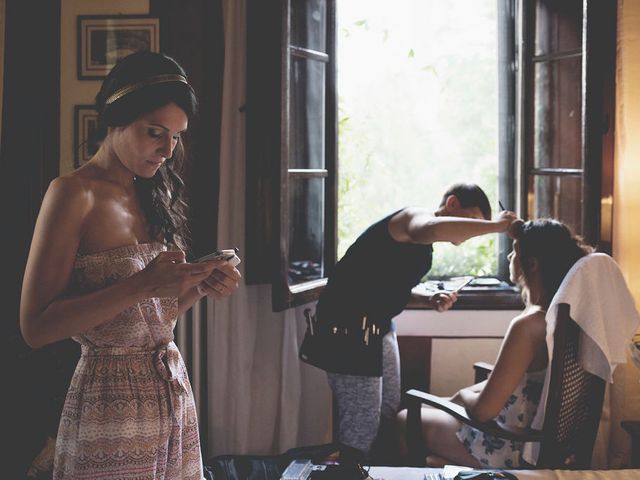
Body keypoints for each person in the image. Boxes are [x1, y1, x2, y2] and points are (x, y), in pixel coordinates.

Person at [20, 52, 241, 480]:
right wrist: (143, 284)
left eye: (176, 136)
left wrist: (199, 284)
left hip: (171, 396)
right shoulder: (72, 194)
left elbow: (147, 318)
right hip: (108, 407)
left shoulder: (152, 195)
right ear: (116, 118)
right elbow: (35, 327)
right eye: (155, 133)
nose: (167, 149)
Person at [298, 183, 518, 464]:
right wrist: (498, 227)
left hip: (379, 329)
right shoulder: (413, 218)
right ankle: (348, 470)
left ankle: (376, 470)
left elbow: (384, 287)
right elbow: (433, 228)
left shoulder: (423, 247)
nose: (470, 230)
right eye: (472, 220)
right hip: (348, 331)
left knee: (388, 414)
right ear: (452, 204)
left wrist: (428, 299)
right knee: (360, 430)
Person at [397, 218, 592, 468]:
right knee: (437, 410)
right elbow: (523, 384)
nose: (510, 256)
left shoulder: (528, 326)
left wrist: (463, 395)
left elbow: (483, 412)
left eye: (515, 251)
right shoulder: (566, 319)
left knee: (405, 418)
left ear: (531, 264)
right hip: (535, 441)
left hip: (507, 446)